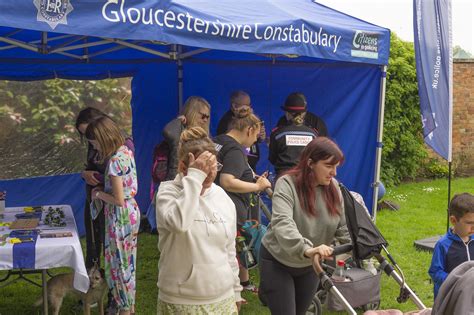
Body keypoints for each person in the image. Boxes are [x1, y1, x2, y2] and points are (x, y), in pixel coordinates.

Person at [155, 127, 243, 314]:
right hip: (181, 300)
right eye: (202, 168)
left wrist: (235, 290)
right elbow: (179, 224)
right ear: (182, 167)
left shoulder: (222, 197)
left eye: (213, 167)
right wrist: (195, 178)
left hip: (222, 298)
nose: (210, 174)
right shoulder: (167, 193)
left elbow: (229, 249)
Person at [259, 137, 350, 315]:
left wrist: (357, 245)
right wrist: (307, 249)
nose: (334, 173)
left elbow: (344, 227)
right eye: (329, 166)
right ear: (310, 163)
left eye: (336, 167)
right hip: (278, 261)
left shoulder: (334, 187)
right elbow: (282, 223)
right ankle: (268, 289)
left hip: (310, 265)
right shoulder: (286, 183)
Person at [86, 116, 140, 315]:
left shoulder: (115, 161)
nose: (95, 148)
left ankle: (125, 309)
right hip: (130, 214)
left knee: (119, 267)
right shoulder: (126, 151)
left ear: (103, 139)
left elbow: (118, 199)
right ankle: (130, 308)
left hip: (120, 218)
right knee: (127, 264)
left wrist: (98, 194)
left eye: (94, 144)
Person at [214, 111, 272, 293]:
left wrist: (252, 178)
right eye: (255, 136)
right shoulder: (235, 150)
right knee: (232, 255)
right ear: (249, 129)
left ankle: (230, 286)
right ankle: (231, 291)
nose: (255, 141)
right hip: (230, 212)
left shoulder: (217, 141)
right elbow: (227, 181)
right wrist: (257, 187)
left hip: (214, 209)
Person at [428, 192, 474, 298]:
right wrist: (456, 281)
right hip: (450, 298)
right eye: (469, 223)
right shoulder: (443, 245)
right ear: (453, 220)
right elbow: (435, 272)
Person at [269, 92, 318, 177]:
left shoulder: (277, 134)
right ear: (303, 114)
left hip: (284, 180)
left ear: (287, 113)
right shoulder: (313, 134)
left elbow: (272, 159)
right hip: (306, 180)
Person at [162, 96, 211, 181]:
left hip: (198, 179)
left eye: (207, 117)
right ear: (192, 113)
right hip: (176, 178)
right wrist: (178, 121)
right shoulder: (179, 131)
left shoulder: (205, 137)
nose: (205, 120)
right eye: (203, 116)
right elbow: (168, 132)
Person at [217, 90, 266, 171]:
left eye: (249, 105)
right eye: (245, 105)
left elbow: (257, 139)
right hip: (236, 166)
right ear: (234, 106)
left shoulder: (253, 118)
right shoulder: (226, 122)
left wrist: (260, 136)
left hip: (251, 165)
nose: (248, 108)